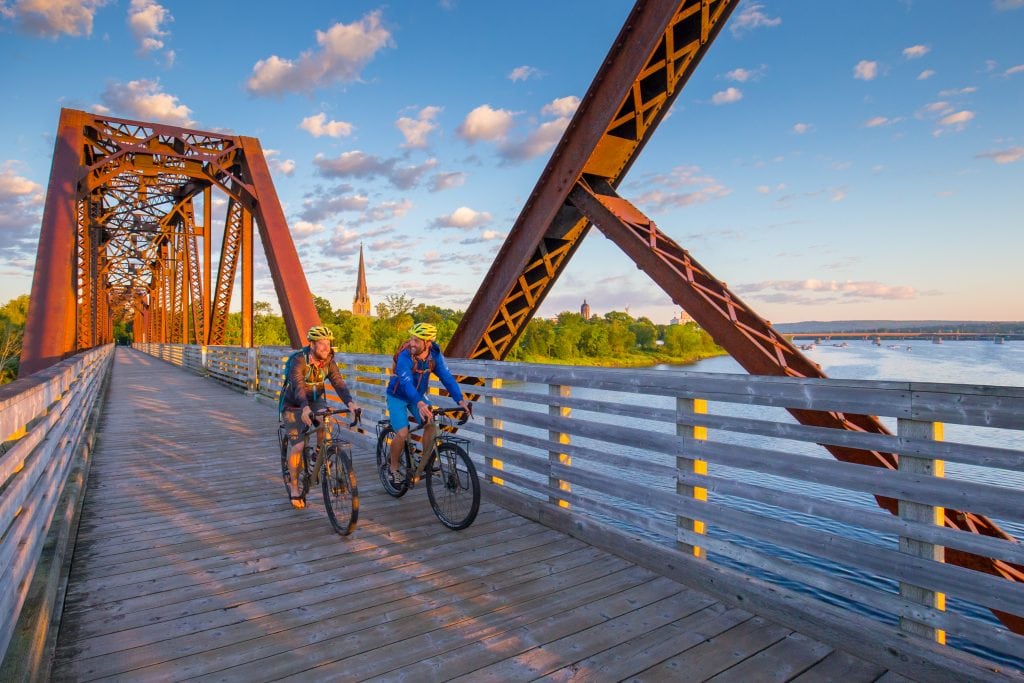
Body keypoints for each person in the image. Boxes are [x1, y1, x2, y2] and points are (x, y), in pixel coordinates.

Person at [279, 325, 359, 509]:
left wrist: (351, 404)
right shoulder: (299, 360)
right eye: (322, 344)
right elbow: (298, 387)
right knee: (298, 445)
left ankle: (317, 453)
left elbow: (338, 382)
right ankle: (294, 487)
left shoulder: (329, 361)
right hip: (293, 404)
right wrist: (304, 408)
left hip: (315, 401)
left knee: (326, 418)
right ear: (312, 344)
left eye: (328, 344)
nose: (326, 348)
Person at [385, 322, 470, 482]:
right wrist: (419, 402)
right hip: (398, 395)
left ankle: (425, 462)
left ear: (428, 342)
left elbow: (447, 378)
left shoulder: (435, 356)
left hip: (417, 396)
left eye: (417, 340)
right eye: (411, 339)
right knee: (402, 433)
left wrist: (460, 400)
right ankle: (393, 467)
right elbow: (406, 383)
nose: (412, 343)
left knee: (431, 424)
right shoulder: (405, 356)